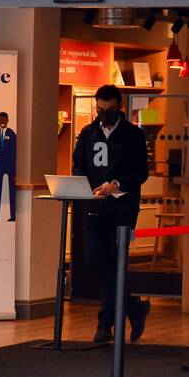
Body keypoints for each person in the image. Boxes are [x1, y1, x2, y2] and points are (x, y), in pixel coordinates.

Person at [71, 84, 151, 343]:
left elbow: (141, 172)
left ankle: (105, 324)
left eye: (110, 110)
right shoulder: (88, 133)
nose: (104, 114)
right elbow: (78, 166)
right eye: (100, 109)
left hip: (123, 209)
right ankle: (132, 307)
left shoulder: (132, 136)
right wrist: (78, 186)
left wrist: (116, 184)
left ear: (120, 108)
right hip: (94, 207)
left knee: (116, 263)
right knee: (96, 260)